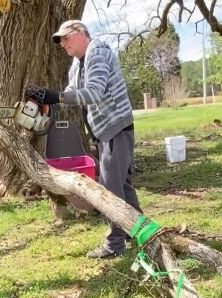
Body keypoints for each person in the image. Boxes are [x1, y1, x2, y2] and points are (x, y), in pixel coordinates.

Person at [39, 20, 141, 259]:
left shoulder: (98, 52)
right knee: (123, 186)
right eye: (60, 40)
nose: (63, 43)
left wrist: (58, 97)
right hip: (104, 132)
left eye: (66, 37)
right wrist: (48, 101)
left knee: (111, 191)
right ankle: (139, 230)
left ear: (81, 33)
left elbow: (93, 93)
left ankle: (115, 244)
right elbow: (72, 93)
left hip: (116, 128)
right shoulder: (76, 64)